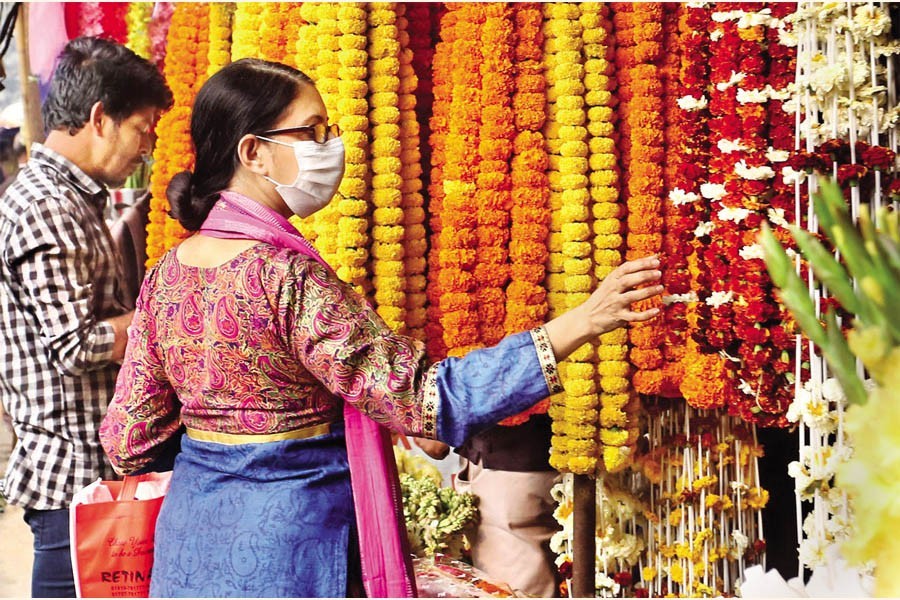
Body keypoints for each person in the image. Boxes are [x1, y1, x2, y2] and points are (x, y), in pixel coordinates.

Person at [98, 58, 663, 598]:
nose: (330, 147)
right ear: (254, 153)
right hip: (292, 550)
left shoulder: (169, 273)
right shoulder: (284, 275)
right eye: (312, 132)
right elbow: (420, 399)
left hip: (193, 545)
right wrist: (582, 322)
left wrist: (218, 449)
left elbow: (128, 439)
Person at [0, 37, 172, 598]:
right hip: (75, 483)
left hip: (98, 475)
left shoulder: (77, 198)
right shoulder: (46, 204)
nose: (146, 147)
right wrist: (164, 314)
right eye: (143, 129)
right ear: (101, 118)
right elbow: (74, 344)